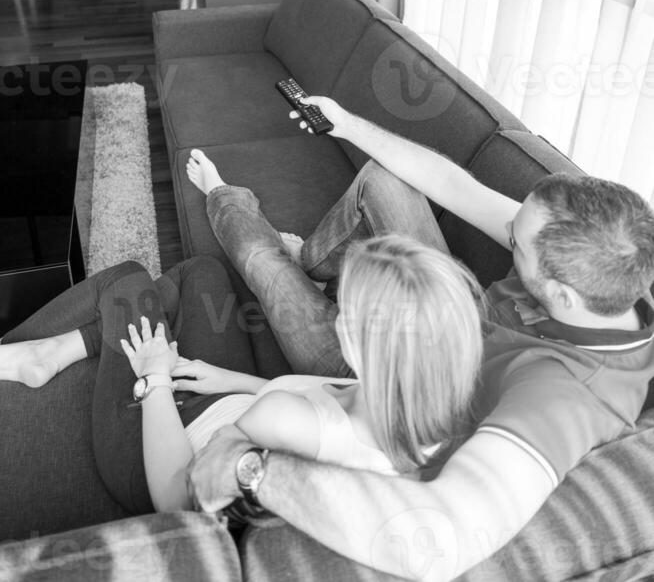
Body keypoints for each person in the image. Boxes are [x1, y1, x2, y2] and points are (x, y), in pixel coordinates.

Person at [185, 96, 654, 582]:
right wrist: (347, 124)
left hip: (395, 375)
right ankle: (316, 262)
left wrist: (250, 469)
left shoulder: (566, 398)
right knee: (382, 178)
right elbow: (456, 186)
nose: (508, 231)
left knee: (268, 269)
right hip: (443, 306)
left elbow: (438, 542)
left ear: (560, 295)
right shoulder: (603, 269)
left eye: (515, 242)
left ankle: (225, 196)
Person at [0, 224, 483, 515]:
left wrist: (156, 378)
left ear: (364, 343)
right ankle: (76, 344)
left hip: (156, 446)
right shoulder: (419, 401)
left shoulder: (288, 422)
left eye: (344, 310)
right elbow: (315, 404)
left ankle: (42, 357)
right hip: (225, 399)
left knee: (125, 279)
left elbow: (174, 497)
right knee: (201, 272)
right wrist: (228, 379)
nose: (335, 315)